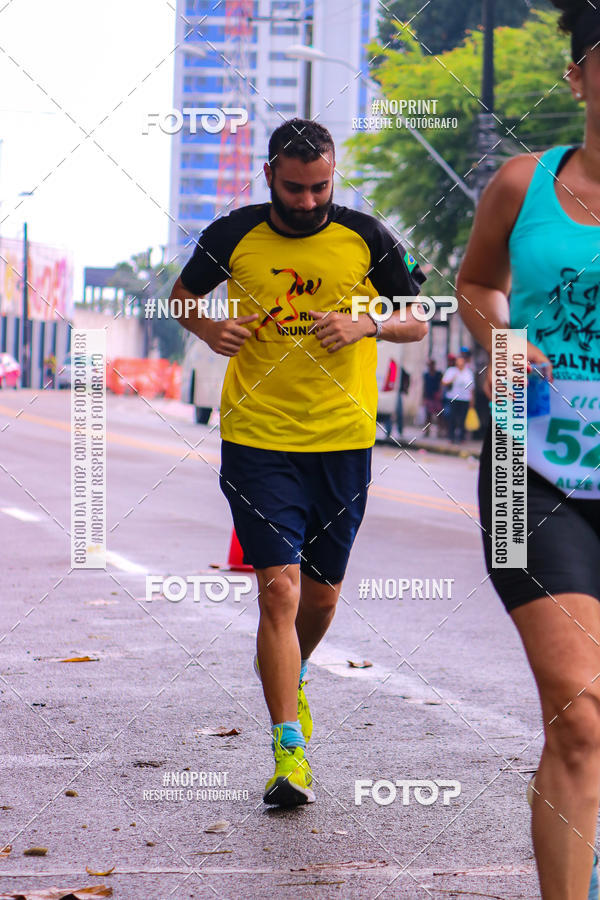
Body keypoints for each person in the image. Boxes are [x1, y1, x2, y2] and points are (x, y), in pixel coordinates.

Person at [169, 118, 427, 808]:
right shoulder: (232, 234)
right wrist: (207, 325)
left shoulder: (367, 237)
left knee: (320, 597)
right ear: (270, 178)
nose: (309, 200)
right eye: (295, 187)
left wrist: (366, 323)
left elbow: (418, 315)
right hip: (257, 437)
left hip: (342, 440)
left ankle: (294, 673)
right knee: (277, 590)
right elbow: (180, 297)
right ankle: (289, 752)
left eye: (320, 187)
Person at [456, 3, 600, 897]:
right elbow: (478, 284)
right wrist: (498, 338)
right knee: (580, 714)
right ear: (578, 76)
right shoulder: (523, 182)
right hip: (531, 471)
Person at [441, 354, 475, 443]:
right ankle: (451, 437)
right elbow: (444, 382)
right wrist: (452, 379)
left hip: (465, 398)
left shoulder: (468, 372)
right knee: (452, 417)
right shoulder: (451, 371)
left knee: (462, 418)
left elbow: (471, 387)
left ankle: (461, 438)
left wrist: (472, 400)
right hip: (453, 397)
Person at [422, 358, 443, 433]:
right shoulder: (426, 375)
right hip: (429, 396)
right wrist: (424, 398)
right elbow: (425, 386)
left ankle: (439, 430)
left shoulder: (438, 374)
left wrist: (440, 393)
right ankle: (427, 430)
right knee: (428, 415)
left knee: (439, 414)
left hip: (436, 397)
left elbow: (441, 384)